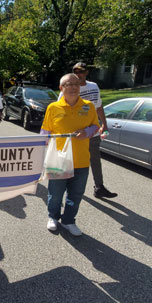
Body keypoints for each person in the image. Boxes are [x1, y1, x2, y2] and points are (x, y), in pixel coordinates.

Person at [40, 73, 100, 236]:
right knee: (55, 193)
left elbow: (96, 126)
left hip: (81, 160)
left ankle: (68, 221)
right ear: (61, 88)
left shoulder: (88, 106)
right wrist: (38, 152)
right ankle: (53, 217)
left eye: (76, 84)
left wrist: (87, 131)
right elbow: (45, 132)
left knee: (76, 194)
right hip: (58, 159)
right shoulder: (53, 108)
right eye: (68, 84)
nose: (73, 87)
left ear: (80, 87)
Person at [71, 62, 117, 199]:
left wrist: (105, 124)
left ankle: (99, 187)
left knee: (95, 160)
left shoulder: (93, 86)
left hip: (93, 131)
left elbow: (99, 106)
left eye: (81, 71)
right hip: (77, 132)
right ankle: (71, 186)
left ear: (86, 73)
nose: (78, 74)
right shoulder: (70, 88)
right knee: (74, 160)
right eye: (75, 71)